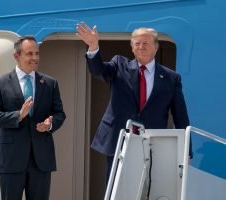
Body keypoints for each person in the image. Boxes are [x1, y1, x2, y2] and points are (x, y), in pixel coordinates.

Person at [76, 22, 190, 181]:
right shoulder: (119, 65)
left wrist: (186, 151)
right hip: (119, 140)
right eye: (137, 43)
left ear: (156, 47)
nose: (141, 46)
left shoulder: (171, 78)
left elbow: (181, 116)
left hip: (152, 145)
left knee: (148, 190)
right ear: (132, 47)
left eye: (146, 43)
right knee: (116, 189)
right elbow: (98, 70)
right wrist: (93, 47)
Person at [0, 36, 66, 200]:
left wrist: (50, 124)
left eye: (37, 53)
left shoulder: (50, 83)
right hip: (11, 159)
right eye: (29, 54)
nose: (34, 58)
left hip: (41, 160)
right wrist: (18, 115)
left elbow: (59, 114)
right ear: (17, 56)